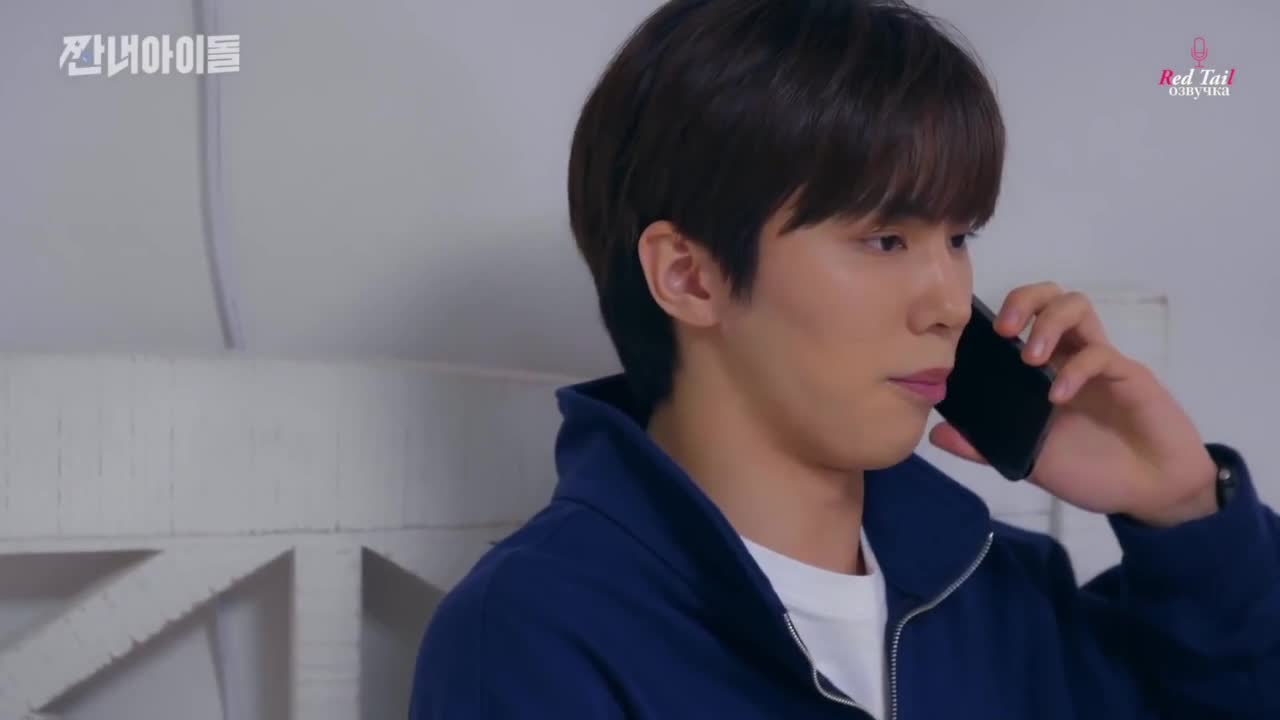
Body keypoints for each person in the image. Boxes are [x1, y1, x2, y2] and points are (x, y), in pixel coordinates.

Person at [409, 1, 1280, 718]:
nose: (949, 303)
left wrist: (1186, 513)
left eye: (960, 238)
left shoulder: (1004, 595)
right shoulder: (535, 637)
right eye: (885, 239)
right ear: (689, 276)